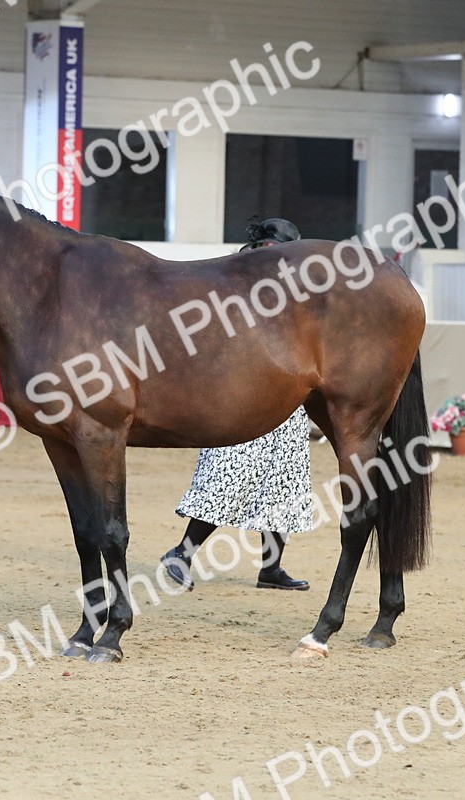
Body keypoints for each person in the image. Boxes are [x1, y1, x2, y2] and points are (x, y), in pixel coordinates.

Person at [161, 217, 314, 592]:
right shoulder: (232, 282)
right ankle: (180, 553)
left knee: (284, 484)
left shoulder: (295, 290)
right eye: (276, 249)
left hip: (285, 397)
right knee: (227, 476)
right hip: (240, 396)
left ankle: (271, 568)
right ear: (261, 248)